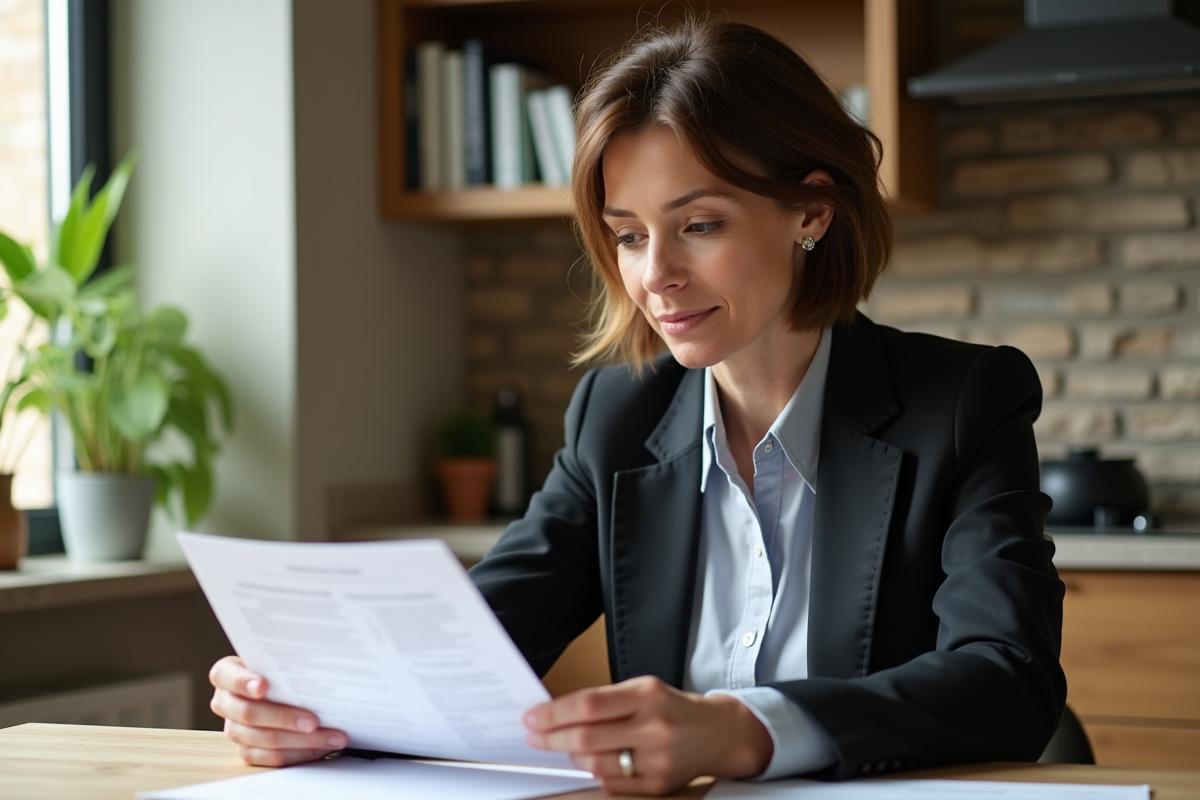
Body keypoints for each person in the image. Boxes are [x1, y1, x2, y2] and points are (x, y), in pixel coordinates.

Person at [208, 16, 1066, 796]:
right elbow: (467, 647)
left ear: (812, 209)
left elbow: (1008, 681)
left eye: (700, 224)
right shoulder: (616, 418)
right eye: (627, 234)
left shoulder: (961, 403)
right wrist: (309, 706)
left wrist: (742, 729)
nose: (655, 274)